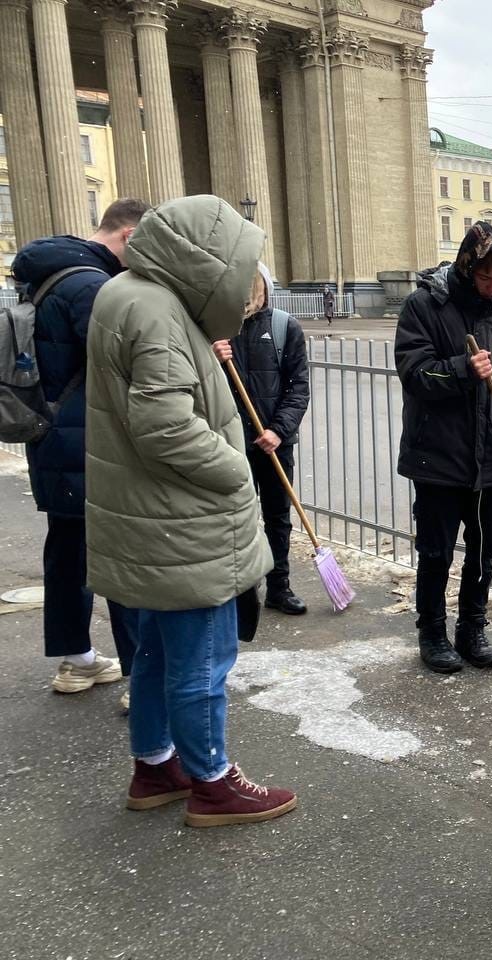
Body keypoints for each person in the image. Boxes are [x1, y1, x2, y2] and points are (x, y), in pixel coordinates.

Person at [86, 195, 296, 825]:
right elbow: (165, 426)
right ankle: (212, 781)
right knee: (203, 661)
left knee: (156, 652)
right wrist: (236, 470)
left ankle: (156, 765)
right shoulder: (157, 312)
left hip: (153, 518)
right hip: (183, 523)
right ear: (209, 260)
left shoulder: (131, 294)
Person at [12, 198, 150, 701]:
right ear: (130, 235)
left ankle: (78, 663)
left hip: (51, 438)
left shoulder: (46, 272)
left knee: (68, 551)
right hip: (91, 443)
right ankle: (144, 680)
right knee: (120, 555)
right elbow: (123, 361)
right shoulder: (91, 285)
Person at [395, 223, 492, 674]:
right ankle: (433, 633)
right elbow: (414, 372)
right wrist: (461, 368)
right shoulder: (425, 306)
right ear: (466, 265)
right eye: (484, 276)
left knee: (485, 547)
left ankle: (471, 629)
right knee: (437, 549)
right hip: (439, 456)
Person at [212, 263, 310, 616]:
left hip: (274, 442)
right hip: (230, 444)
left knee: (277, 516)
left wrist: (277, 431)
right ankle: (242, 590)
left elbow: (298, 387)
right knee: (237, 518)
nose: (247, 296)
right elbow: (199, 385)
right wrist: (212, 359)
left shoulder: (284, 327)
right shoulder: (217, 332)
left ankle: (279, 587)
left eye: (252, 288)